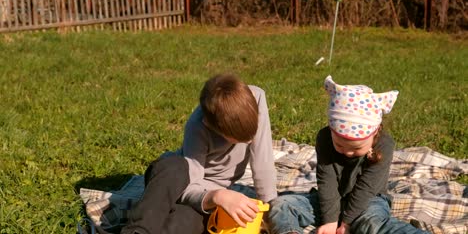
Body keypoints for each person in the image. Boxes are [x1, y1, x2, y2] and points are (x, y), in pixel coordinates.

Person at [267, 75, 429, 234]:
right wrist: (330, 221)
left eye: (357, 148)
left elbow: (367, 187)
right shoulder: (324, 138)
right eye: (339, 144)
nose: (348, 152)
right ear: (331, 131)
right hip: (332, 201)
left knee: (371, 224)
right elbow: (326, 181)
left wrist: (347, 223)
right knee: (282, 205)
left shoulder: (384, 144)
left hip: (368, 202)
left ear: (375, 133)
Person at [121, 73, 278, 234]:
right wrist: (217, 196)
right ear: (211, 125)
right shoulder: (197, 126)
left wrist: (268, 210)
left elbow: (263, 162)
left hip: (203, 201)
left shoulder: (256, 99)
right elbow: (191, 183)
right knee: (176, 166)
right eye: (238, 139)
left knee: (187, 222)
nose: (249, 142)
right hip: (172, 182)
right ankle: (137, 231)